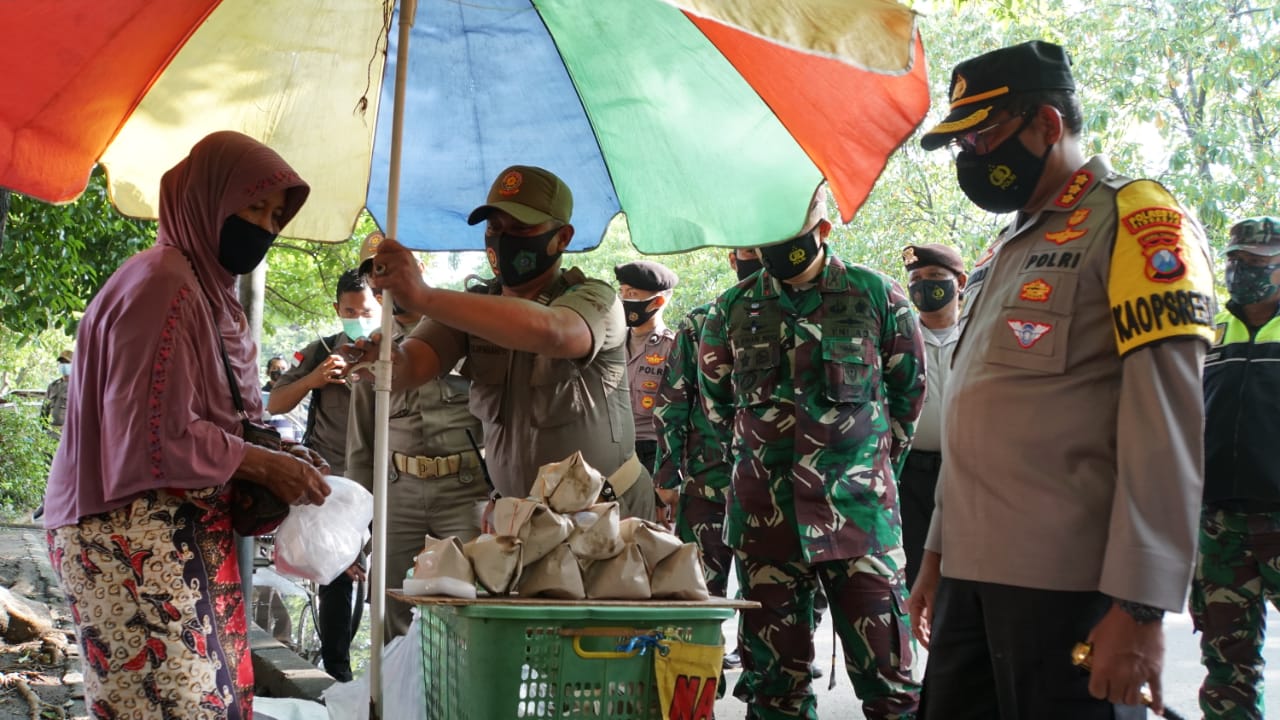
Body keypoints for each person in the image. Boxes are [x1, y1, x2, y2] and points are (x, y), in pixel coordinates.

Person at [910, 41, 1216, 719]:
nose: (969, 158)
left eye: (981, 137)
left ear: (1046, 125)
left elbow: (1166, 427)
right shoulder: (1005, 251)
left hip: (1071, 590)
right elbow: (973, 418)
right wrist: (935, 556)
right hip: (970, 578)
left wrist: (1140, 607)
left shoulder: (1134, 223)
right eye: (960, 144)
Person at [41, 131, 331, 719]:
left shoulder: (203, 290)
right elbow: (152, 432)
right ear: (206, 200)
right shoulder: (163, 284)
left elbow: (210, 413)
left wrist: (279, 455)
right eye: (253, 207)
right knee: (180, 706)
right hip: (125, 530)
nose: (264, 227)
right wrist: (263, 464)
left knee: (207, 702)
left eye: (275, 216)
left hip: (171, 530)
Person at [698, 188, 926, 719]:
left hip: (860, 520)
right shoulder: (732, 308)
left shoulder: (877, 295)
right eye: (767, 235)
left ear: (823, 230)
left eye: (790, 233)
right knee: (775, 691)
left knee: (891, 685)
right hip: (767, 524)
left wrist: (866, 471)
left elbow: (907, 398)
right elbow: (719, 406)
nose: (777, 245)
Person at [357, 165, 656, 520]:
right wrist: (379, 360)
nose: (504, 239)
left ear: (562, 238)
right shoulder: (472, 309)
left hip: (605, 518)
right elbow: (410, 368)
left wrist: (424, 296)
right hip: (520, 523)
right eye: (495, 228)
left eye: (521, 229)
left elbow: (555, 333)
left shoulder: (595, 299)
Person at [346, 233, 489, 641]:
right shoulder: (371, 351)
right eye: (376, 277)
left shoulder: (462, 331)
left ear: (417, 270)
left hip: (464, 492)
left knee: (472, 607)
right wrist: (355, 527)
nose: (383, 283)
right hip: (398, 495)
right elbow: (361, 449)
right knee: (393, 611)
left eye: (390, 271)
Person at [267, 266, 378, 681]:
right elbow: (276, 403)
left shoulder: (398, 350)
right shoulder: (321, 351)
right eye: (350, 311)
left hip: (384, 479)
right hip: (335, 483)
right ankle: (337, 675)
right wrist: (314, 379)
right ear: (337, 309)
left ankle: (387, 671)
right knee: (336, 576)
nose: (358, 319)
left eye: (366, 311)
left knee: (387, 571)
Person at [1193, 215, 1280, 720]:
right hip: (1221, 528)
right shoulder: (1211, 333)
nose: (1241, 270)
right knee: (1227, 665)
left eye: (1256, 262)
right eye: (1235, 260)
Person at [897, 244, 967, 590]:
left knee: (963, 571)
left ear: (960, 282)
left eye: (936, 276)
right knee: (915, 573)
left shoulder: (977, 333)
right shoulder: (899, 338)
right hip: (910, 475)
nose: (924, 286)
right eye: (916, 280)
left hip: (964, 471)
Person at [615, 260, 678, 474]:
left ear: (657, 301)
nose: (623, 299)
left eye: (632, 294)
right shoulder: (610, 343)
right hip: (612, 447)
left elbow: (681, 410)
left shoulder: (672, 347)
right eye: (622, 292)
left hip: (653, 450)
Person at [40, 349, 73, 434]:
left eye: (67, 362)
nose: (63, 365)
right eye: (61, 362)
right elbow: (44, 410)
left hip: (68, 433)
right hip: (51, 432)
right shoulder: (53, 386)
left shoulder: (77, 387)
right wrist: (43, 429)